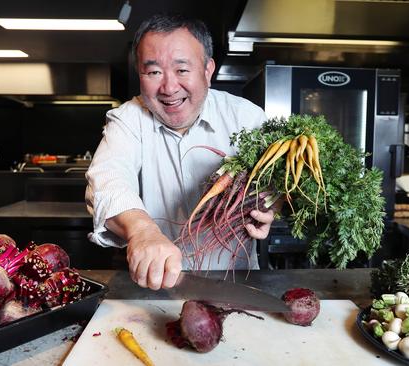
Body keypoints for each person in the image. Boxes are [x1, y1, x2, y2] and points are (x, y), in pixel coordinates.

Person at [85, 14, 277, 291]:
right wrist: (142, 231)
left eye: (182, 70)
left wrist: (272, 206)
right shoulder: (127, 119)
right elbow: (108, 178)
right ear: (140, 73)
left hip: (236, 285)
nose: (169, 87)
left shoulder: (247, 118)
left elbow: (277, 186)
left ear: (208, 70)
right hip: (155, 288)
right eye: (153, 72)